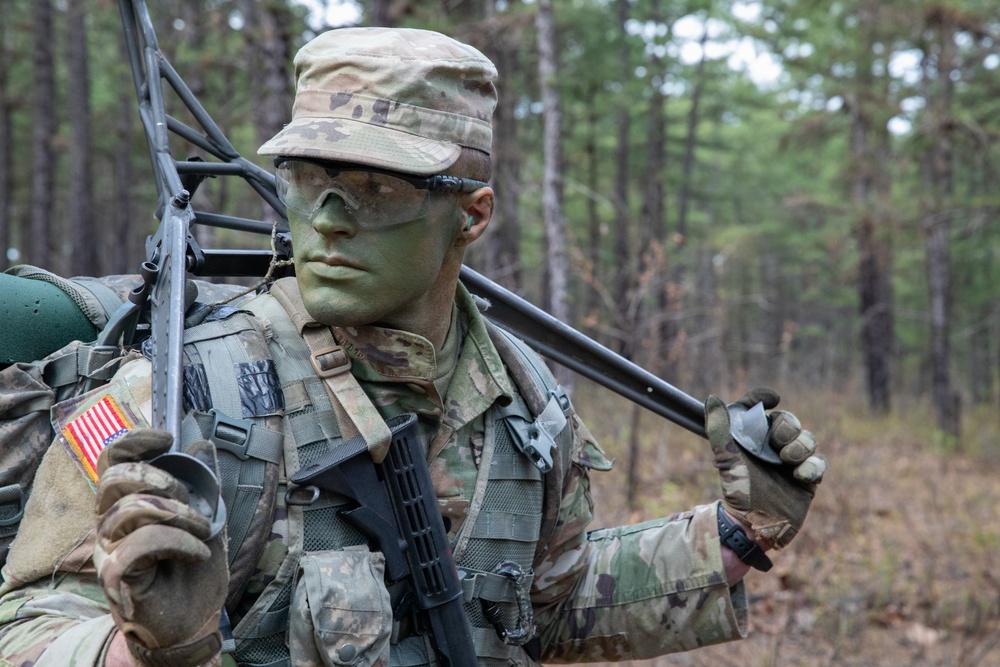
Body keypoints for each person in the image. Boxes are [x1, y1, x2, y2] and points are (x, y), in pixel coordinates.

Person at [0, 27, 826, 667]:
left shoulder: (523, 401)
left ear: (471, 213)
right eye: (306, 179)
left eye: (374, 188)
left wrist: (737, 534)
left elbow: (546, 605)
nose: (325, 218)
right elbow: (25, 628)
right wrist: (141, 649)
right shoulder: (183, 395)